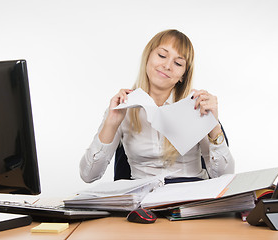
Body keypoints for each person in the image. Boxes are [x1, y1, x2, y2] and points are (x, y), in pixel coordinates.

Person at [80, 29, 234, 183]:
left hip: (190, 197)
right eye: (162, 55)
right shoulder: (124, 106)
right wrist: (111, 122)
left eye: (178, 63)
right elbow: (88, 176)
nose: (167, 65)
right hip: (144, 199)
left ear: (183, 76)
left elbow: (224, 178)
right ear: (148, 57)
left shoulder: (196, 106)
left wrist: (213, 126)